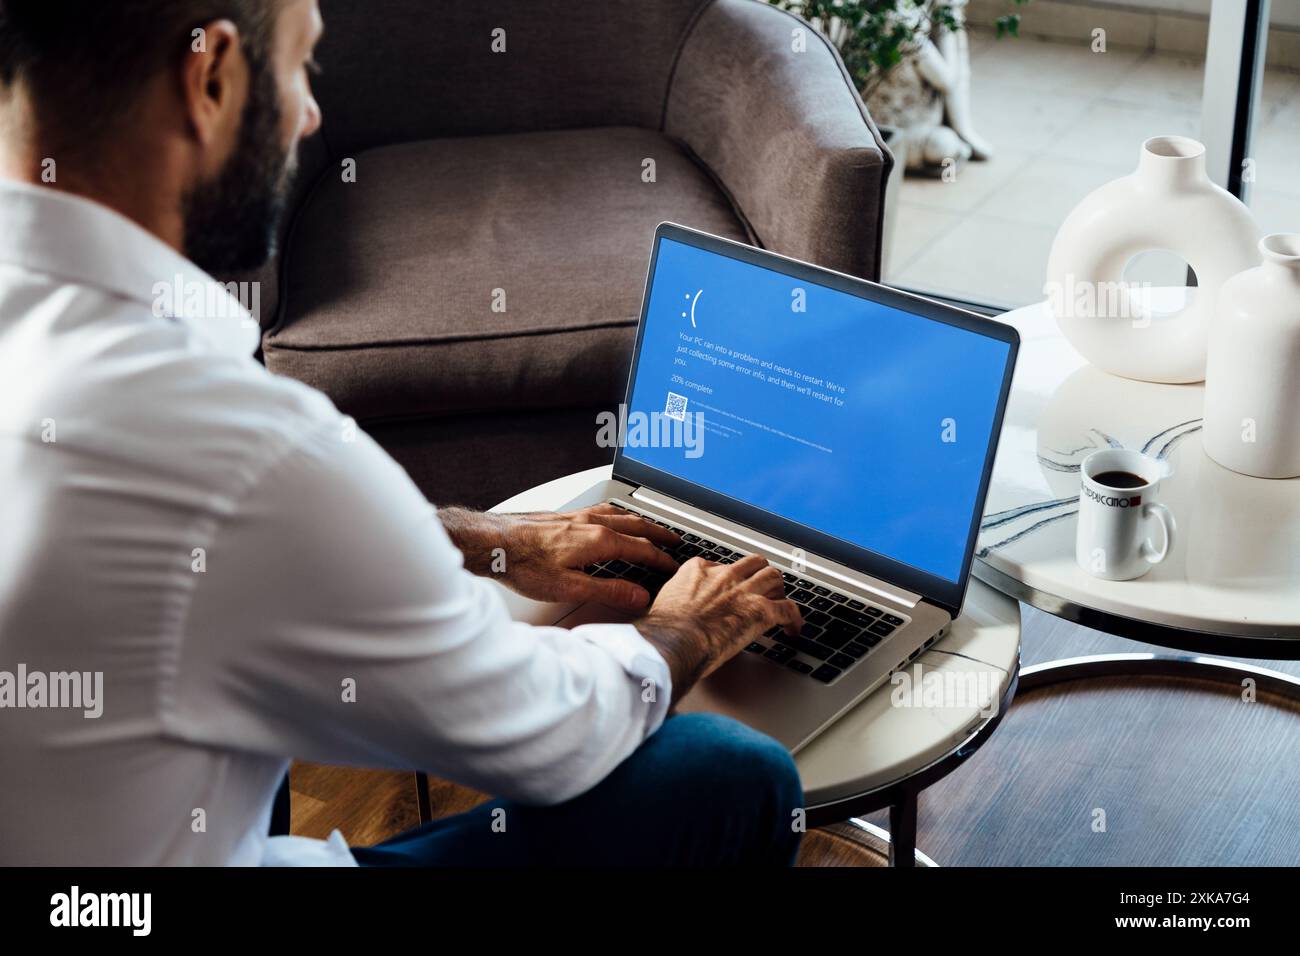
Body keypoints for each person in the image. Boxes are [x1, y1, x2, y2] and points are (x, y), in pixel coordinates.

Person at [0, 0, 804, 865]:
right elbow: (546, 735)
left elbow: (169, 547)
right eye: (300, 68)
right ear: (213, 78)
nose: (308, 114)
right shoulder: (238, 449)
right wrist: (684, 628)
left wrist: (470, 537)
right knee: (728, 774)